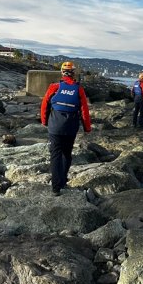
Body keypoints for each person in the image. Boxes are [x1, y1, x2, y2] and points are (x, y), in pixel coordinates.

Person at [40, 61, 91, 195]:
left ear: (62, 73)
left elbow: (45, 105)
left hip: (55, 126)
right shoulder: (79, 89)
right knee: (66, 154)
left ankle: (56, 188)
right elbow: (84, 110)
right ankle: (62, 181)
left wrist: (44, 121)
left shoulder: (54, 87)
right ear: (73, 73)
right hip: (70, 127)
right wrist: (87, 128)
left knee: (55, 155)